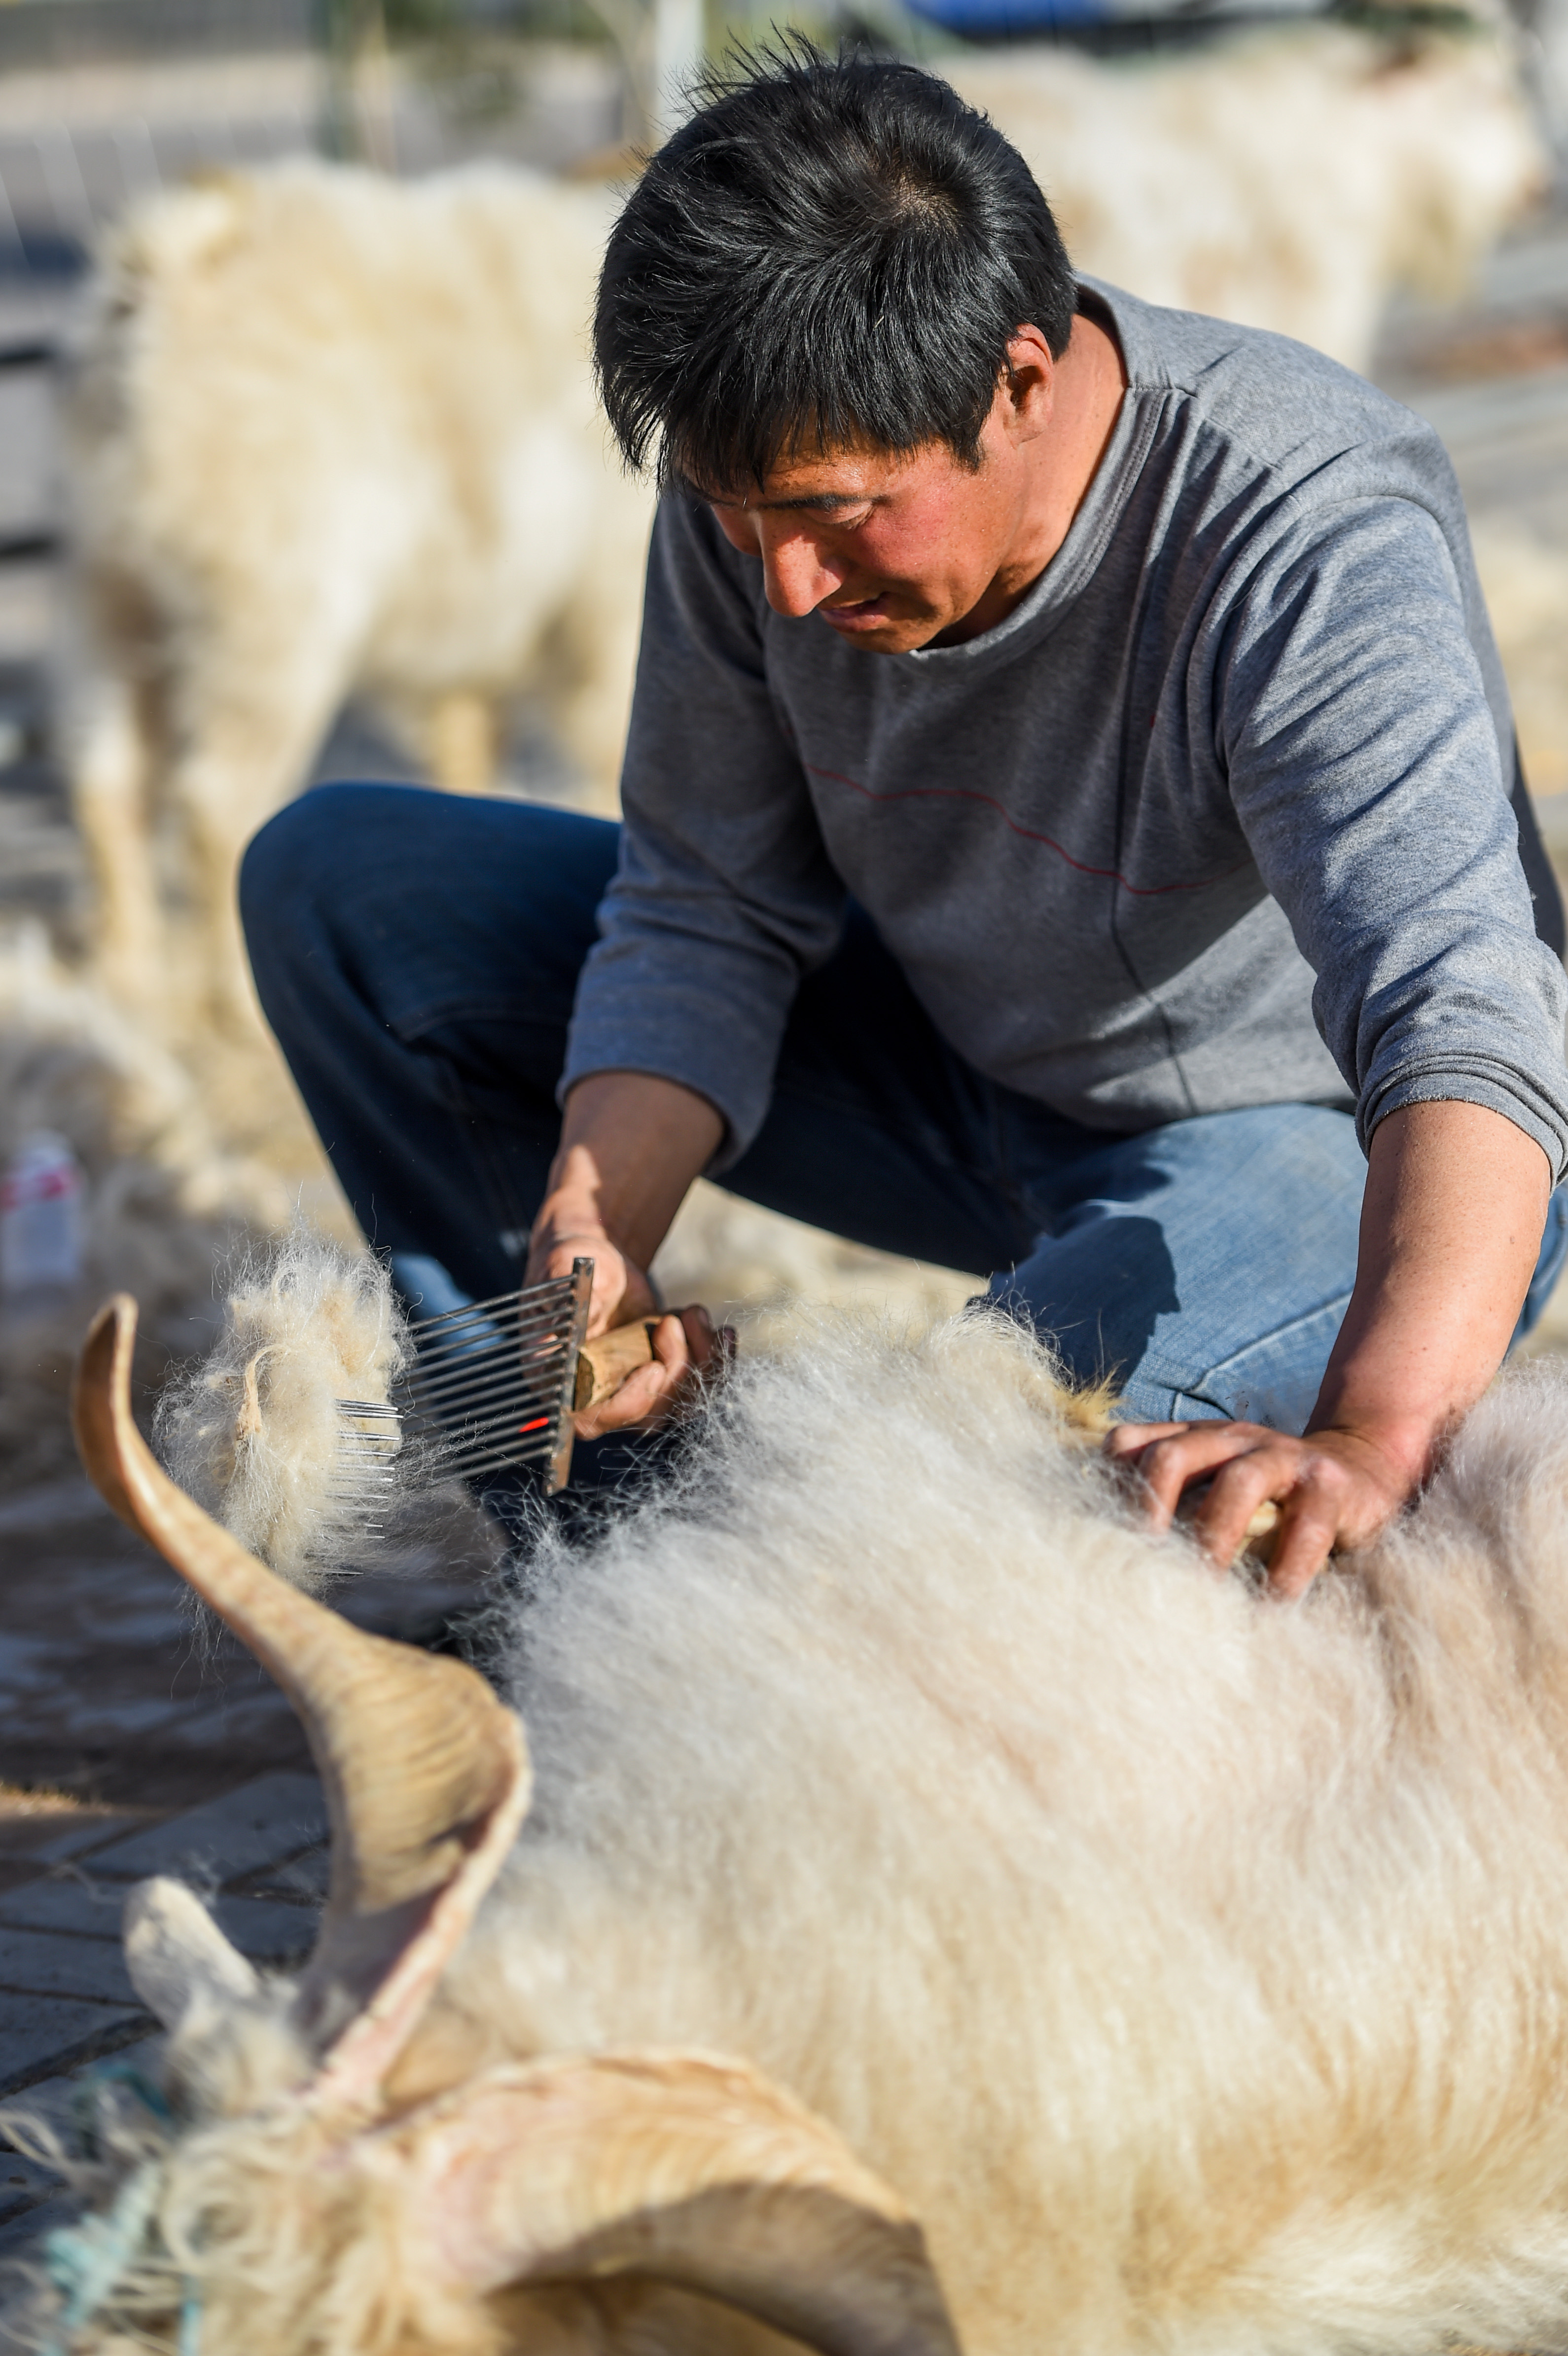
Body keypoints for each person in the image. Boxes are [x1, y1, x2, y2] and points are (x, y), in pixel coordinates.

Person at [241, 45, 1568, 1597]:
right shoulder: (756, 486)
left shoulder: (1296, 523)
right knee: (340, 886)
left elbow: (1455, 1009)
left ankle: (755, 1606)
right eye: (745, 518)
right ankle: (588, 1562)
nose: (787, 584)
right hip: (957, 1063)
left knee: (954, 1474)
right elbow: (704, 904)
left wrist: (1367, 1434)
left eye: (836, 511)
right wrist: (590, 1231)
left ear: (1018, 379)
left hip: (1303, 1146)